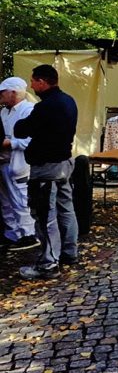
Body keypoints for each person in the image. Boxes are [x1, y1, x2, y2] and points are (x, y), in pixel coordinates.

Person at [14, 64, 78, 279]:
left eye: (33, 81)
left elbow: (22, 129)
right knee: (65, 209)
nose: (31, 85)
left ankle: (49, 264)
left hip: (47, 167)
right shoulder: (69, 100)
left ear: (42, 81)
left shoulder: (46, 106)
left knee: (44, 216)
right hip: (64, 162)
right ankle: (69, 253)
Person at [0, 77, 38, 251]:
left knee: (21, 198)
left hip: (19, 163)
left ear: (13, 93)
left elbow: (32, 141)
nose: (0, 95)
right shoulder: (3, 112)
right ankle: (12, 233)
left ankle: (28, 234)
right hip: (4, 162)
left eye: (2, 92)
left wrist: (10, 143)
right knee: (6, 200)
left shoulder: (29, 110)